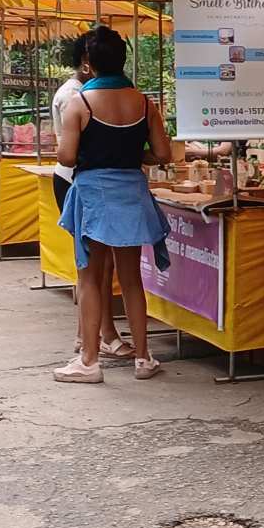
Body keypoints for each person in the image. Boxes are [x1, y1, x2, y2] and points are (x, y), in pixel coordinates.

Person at [54, 27, 173, 384]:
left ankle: (89, 361)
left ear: (88, 64)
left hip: (94, 195)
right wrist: (134, 154)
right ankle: (144, 357)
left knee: (91, 277)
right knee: (132, 277)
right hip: (132, 191)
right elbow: (163, 154)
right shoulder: (144, 102)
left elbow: (67, 156)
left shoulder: (81, 104)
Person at [51, 34, 134, 361]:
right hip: (78, 183)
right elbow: (69, 154)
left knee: (100, 264)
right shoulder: (76, 95)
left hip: (90, 182)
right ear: (87, 60)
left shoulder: (95, 91)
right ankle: (102, 335)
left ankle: (88, 335)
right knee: (94, 264)